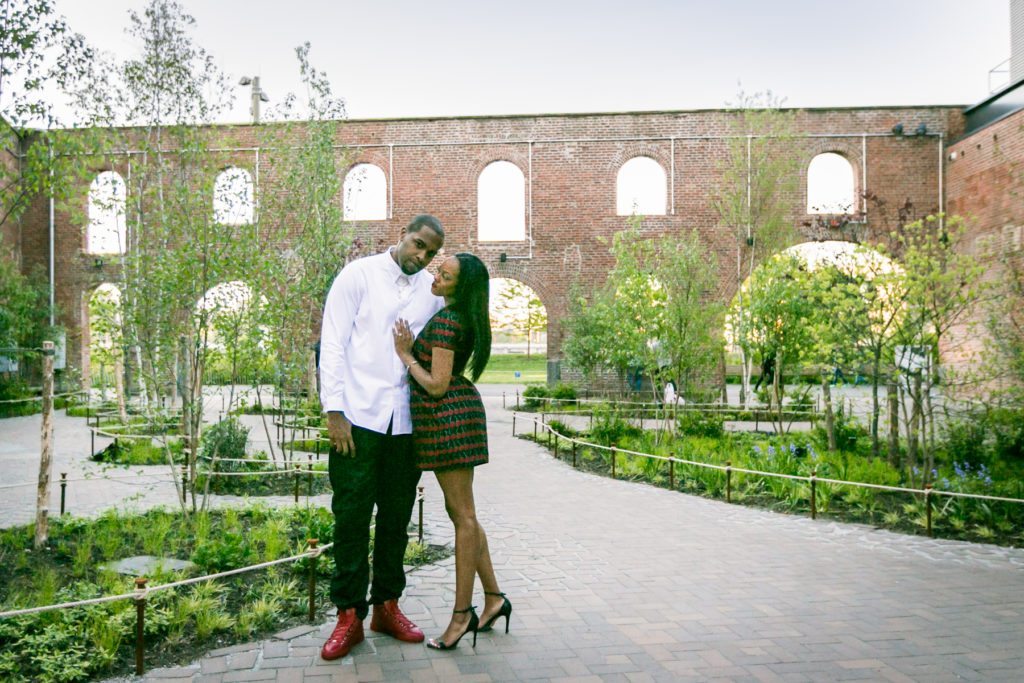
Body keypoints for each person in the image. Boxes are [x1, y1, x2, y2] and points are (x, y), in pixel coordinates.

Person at [318, 215, 445, 661]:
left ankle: (387, 607)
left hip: (405, 426)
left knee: (396, 518)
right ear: (403, 235)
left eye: (430, 253)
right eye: (417, 245)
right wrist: (334, 411)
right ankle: (348, 614)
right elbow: (331, 343)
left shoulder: (430, 293)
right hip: (357, 420)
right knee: (351, 517)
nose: (421, 256)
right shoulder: (358, 276)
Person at [392, 253, 512, 650]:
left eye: (445, 276)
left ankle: (461, 616)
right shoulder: (462, 317)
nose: (437, 277)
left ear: (461, 288)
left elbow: (437, 384)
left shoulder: (447, 322)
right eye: (439, 271)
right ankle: (494, 598)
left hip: (447, 418)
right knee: (464, 515)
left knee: (463, 518)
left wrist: (407, 355)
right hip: (453, 416)